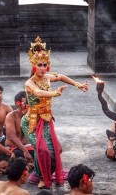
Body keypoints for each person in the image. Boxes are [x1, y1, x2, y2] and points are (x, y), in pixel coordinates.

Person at [21, 36, 88, 189]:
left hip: (45, 121)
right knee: (42, 149)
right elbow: (38, 93)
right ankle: (41, 177)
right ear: (33, 66)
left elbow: (61, 76)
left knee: (55, 150)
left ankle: (45, 174)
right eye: (39, 65)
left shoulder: (47, 78)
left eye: (45, 65)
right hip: (31, 122)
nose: (42, 68)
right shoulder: (29, 83)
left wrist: (77, 85)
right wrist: (55, 94)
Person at [5, 91, 33, 163]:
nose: (24, 107)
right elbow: (12, 136)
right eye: (22, 104)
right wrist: (25, 151)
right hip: (12, 147)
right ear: (17, 104)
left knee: (41, 152)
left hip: (25, 145)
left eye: (27, 104)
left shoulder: (31, 116)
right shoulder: (11, 116)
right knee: (18, 155)